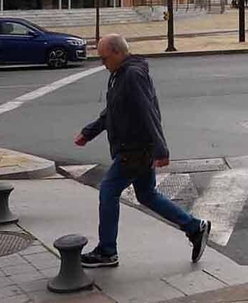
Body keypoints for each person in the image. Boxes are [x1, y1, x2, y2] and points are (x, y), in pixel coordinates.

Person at [74, 34, 210, 268]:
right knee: (146, 194)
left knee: (108, 191)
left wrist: (161, 150)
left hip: (135, 148)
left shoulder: (132, 75)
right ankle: (194, 227)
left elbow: (148, 111)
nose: (102, 64)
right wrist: (90, 132)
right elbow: (113, 110)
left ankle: (107, 251)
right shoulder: (119, 75)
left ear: (118, 53)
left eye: (104, 58)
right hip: (134, 147)